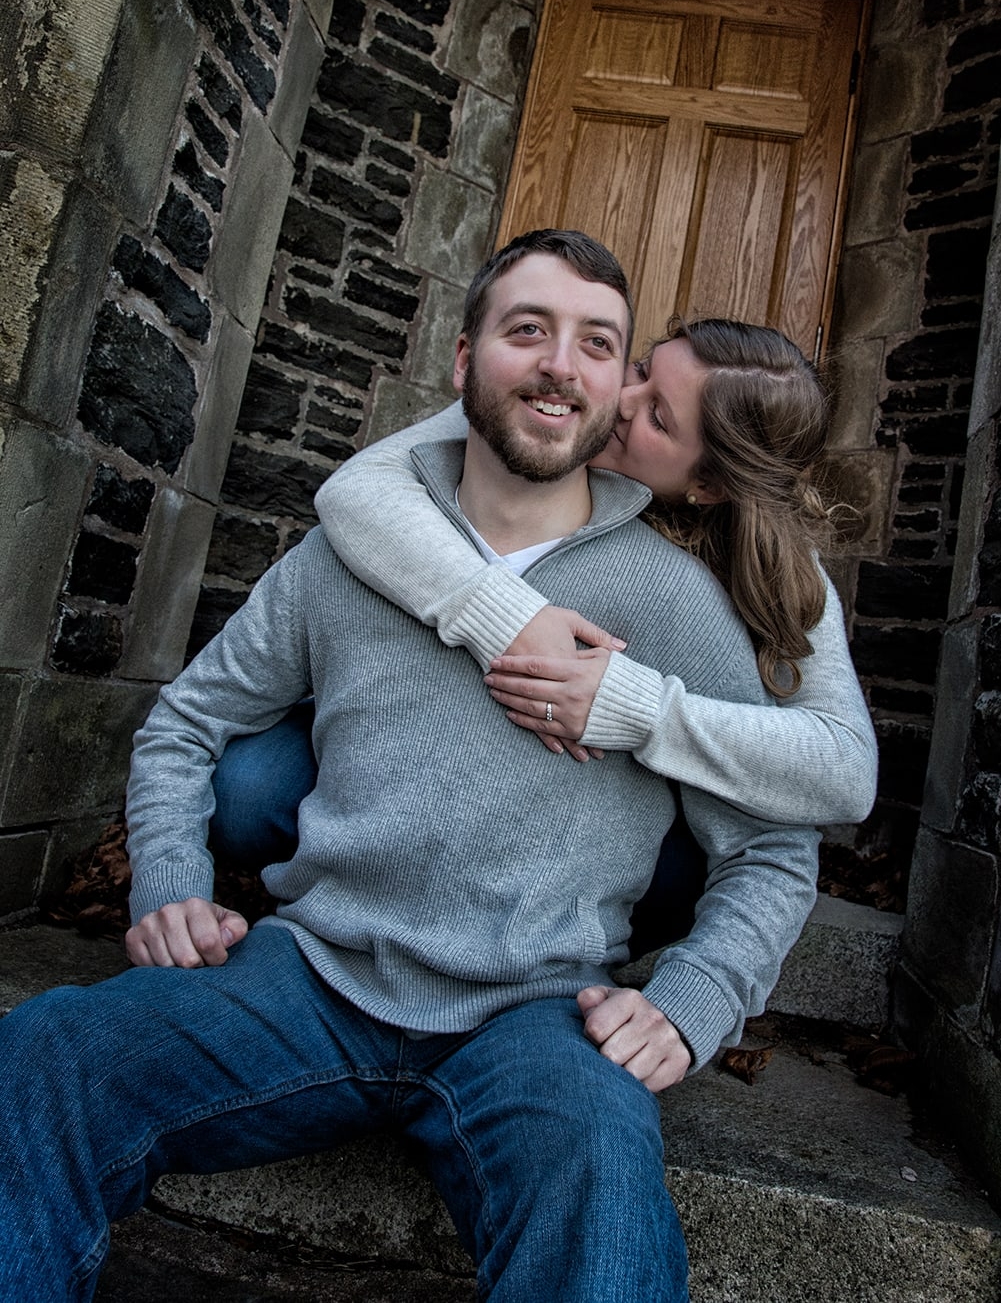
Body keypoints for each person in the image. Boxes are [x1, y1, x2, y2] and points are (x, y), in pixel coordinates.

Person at [0, 229, 821, 1303]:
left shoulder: (672, 601)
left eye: (594, 343)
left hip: (539, 1014)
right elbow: (184, 726)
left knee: (599, 1196)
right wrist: (168, 881)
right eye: (526, 330)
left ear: (619, 385)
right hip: (312, 976)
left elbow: (770, 843)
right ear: (461, 361)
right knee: (47, 1053)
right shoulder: (347, 553)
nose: (556, 365)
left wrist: (693, 997)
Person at [215, 298, 876, 952]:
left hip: (619, 797)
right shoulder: (546, 413)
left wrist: (634, 709)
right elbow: (357, 492)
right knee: (248, 788)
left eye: (655, 414)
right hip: (435, 726)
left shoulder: (778, 575)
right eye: (641, 367)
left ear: (708, 485)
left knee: (687, 868)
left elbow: (842, 774)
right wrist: (509, 618)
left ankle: (566, 957)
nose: (619, 395)